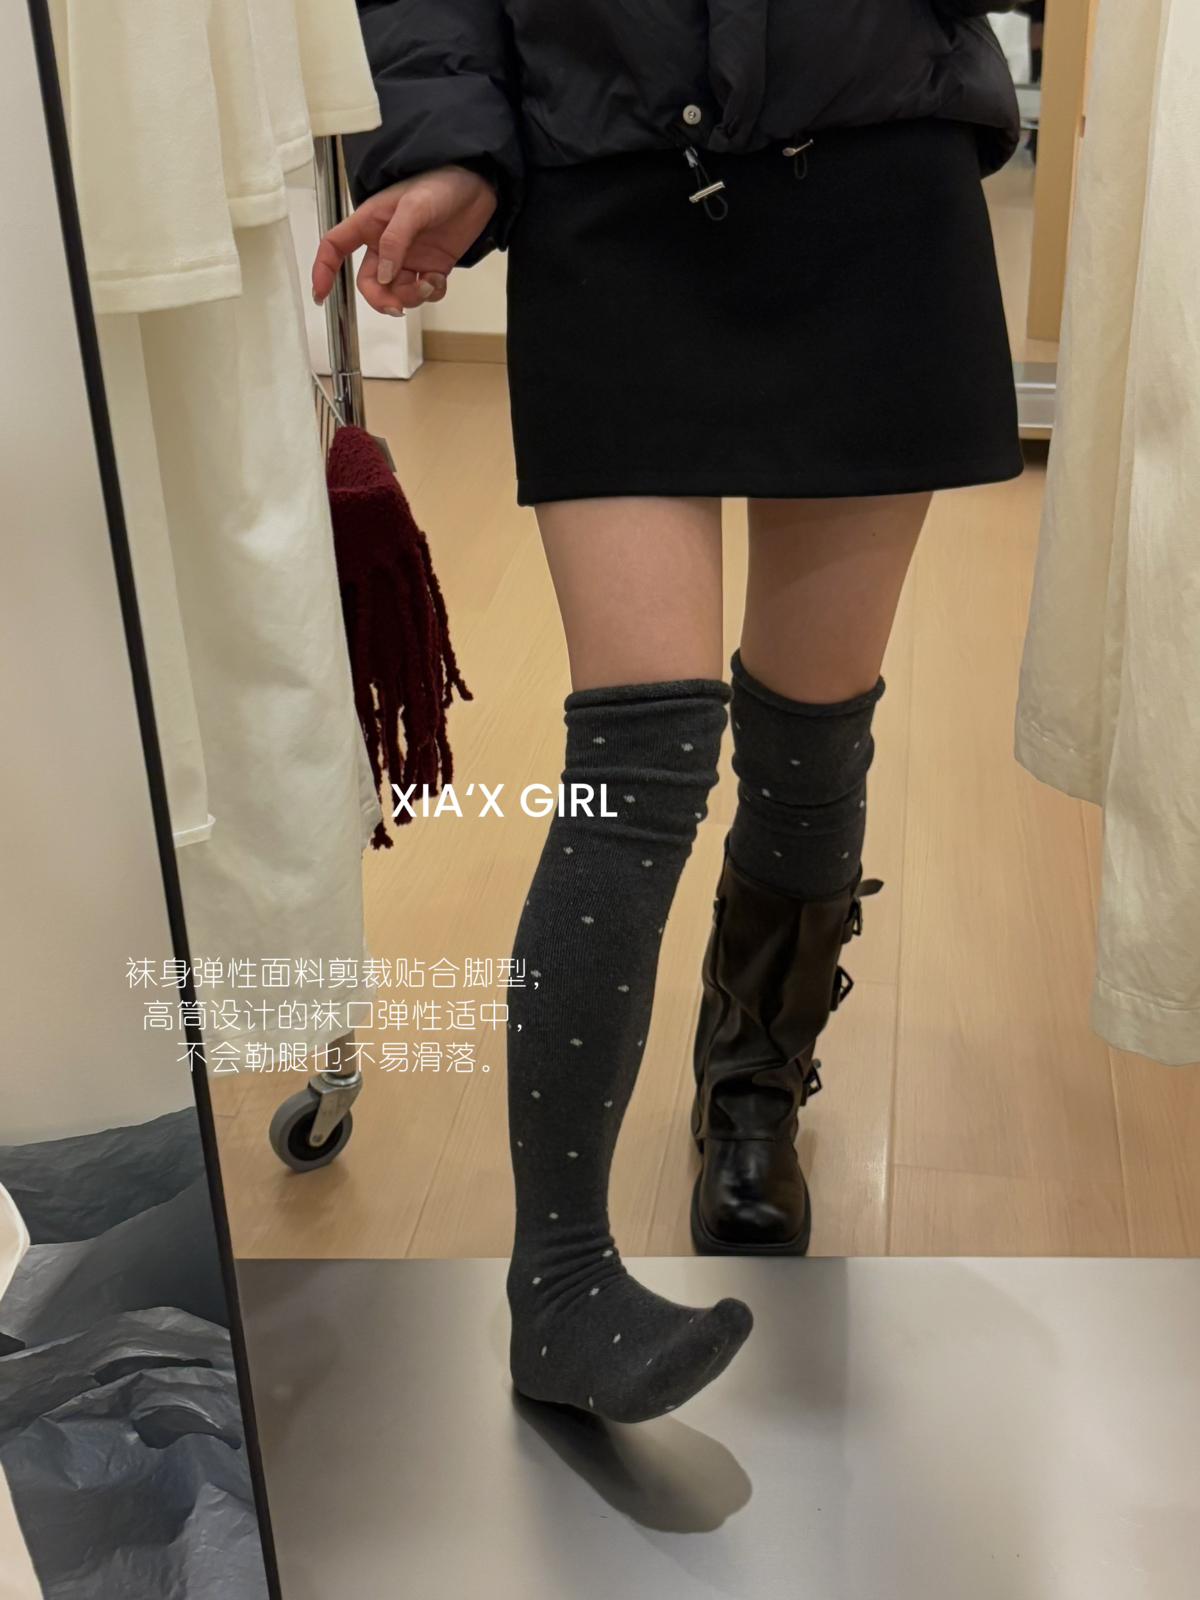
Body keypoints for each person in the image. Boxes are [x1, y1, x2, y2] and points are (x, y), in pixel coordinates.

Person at [313, 0, 1023, 1424]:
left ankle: (752, 1084)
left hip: (878, 174)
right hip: (611, 182)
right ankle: (560, 1279)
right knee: (637, 759)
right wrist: (448, 139)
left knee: (813, 737)